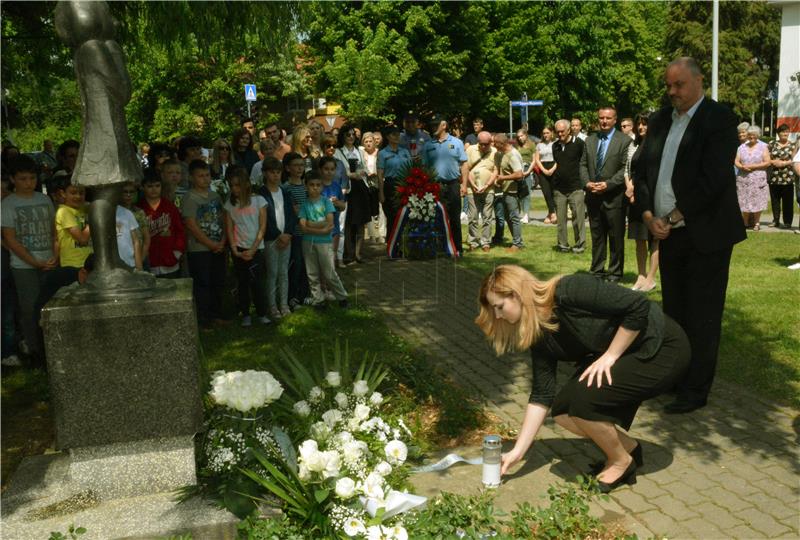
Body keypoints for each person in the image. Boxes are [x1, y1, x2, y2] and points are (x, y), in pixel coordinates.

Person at [477, 265, 689, 492]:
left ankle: (621, 462)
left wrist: (611, 355)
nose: (498, 315)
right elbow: (541, 394)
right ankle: (628, 449)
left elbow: (638, 305)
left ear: (516, 295)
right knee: (563, 411)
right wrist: (518, 452)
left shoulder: (569, 289)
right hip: (627, 350)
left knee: (582, 403)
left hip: (662, 347)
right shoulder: (538, 333)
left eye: (499, 307)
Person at [633, 57, 745, 414]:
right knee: (675, 312)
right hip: (668, 233)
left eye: (679, 85)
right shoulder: (660, 119)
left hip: (706, 235)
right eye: (668, 86)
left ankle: (696, 390)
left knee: (703, 315)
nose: (672, 92)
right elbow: (644, 169)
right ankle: (676, 378)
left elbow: (714, 179)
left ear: (699, 82)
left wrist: (675, 214)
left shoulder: (720, 120)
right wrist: (650, 215)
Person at [1, 155, 57, 366]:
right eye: (23, 178)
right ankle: (36, 351)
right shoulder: (8, 204)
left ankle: (52, 347)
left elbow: (54, 232)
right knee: (30, 309)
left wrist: (55, 256)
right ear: (13, 179)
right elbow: (10, 239)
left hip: (49, 261)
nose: (28, 183)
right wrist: (34, 262)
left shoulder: (44, 200)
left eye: (32, 178)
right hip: (23, 266)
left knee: (50, 305)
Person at [581, 106, 632, 283]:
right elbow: (583, 165)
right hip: (593, 195)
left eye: (608, 118)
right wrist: (587, 183)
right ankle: (597, 270)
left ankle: (615, 272)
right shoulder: (590, 140)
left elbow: (624, 168)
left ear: (615, 120)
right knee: (597, 236)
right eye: (601, 118)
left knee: (616, 237)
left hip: (614, 197)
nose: (604, 121)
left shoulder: (624, 141)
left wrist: (608, 184)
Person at [182, 159, 228, 328]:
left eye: (207, 175)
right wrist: (210, 244)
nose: (205, 179)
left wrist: (223, 240)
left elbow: (223, 218)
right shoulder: (189, 198)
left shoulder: (215, 196)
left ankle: (216, 314)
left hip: (218, 246)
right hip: (200, 249)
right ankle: (203, 319)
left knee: (218, 281)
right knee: (203, 283)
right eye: (200, 176)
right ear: (192, 178)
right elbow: (191, 225)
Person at [224, 165, 269, 327]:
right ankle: (245, 314)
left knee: (257, 283)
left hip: (256, 249)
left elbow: (262, 227)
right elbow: (229, 227)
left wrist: (253, 248)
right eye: (231, 186)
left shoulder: (259, 201)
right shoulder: (230, 205)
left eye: (237, 185)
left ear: (246, 184)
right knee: (242, 283)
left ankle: (262, 313)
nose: (234, 189)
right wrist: (235, 249)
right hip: (239, 250)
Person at [298, 175, 349, 308]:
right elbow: (303, 226)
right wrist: (321, 226)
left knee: (329, 272)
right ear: (306, 186)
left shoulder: (326, 202)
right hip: (308, 242)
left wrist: (311, 225)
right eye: (311, 185)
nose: (315, 188)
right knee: (312, 272)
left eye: (318, 185)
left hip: (325, 242)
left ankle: (342, 296)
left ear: (322, 187)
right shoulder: (304, 204)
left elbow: (330, 224)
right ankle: (318, 299)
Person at [422, 114, 468, 255]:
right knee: (435, 217)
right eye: (432, 125)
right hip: (435, 186)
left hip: (453, 185)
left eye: (436, 124)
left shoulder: (457, 142)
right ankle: (438, 248)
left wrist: (464, 185)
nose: (433, 127)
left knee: (454, 218)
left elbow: (464, 164)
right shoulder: (428, 145)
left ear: (444, 125)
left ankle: (457, 249)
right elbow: (424, 167)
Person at [626, 113, 659, 292]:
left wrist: (635, 188)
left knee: (654, 239)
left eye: (645, 124)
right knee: (639, 238)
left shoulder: (656, 145)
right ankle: (640, 276)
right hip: (636, 199)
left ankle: (651, 278)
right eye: (639, 124)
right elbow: (632, 171)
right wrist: (630, 187)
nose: (641, 128)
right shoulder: (636, 145)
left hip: (652, 198)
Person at [259, 157, 295, 318]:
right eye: (272, 172)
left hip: (286, 237)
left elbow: (291, 214)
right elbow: (265, 218)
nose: (275, 176)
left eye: (278, 172)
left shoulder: (285, 192)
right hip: (271, 239)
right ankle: (272, 306)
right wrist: (277, 235)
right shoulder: (261, 193)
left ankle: (284, 303)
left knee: (283, 272)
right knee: (272, 272)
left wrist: (287, 234)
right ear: (265, 173)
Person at [137, 172, 185, 278]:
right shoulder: (138, 209)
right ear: (143, 187)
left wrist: (177, 252)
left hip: (170, 262)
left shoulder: (170, 207)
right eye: (150, 186)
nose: (154, 189)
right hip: (148, 263)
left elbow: (180, 230)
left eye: (157, 186)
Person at [336, 125, 371, 264]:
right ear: (342, 137)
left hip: (360, 188)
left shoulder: (359, 150)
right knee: (349, 222)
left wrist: (362, 172)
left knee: (361, 221)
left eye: (352, 135)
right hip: (348, 189)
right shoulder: (338, 152)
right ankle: (349, 253)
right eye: (347, 135)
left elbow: (365, 168)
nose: (351, 137)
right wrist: (351, 175)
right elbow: (338, 172)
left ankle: (358, 253)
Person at [551, 119, 587, 253]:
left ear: (569, 130)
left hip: (576, 186)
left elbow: (584, 164)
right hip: (559, 188)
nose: (560, 134)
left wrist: (584, 183)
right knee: (561, 219)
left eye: (562, 131)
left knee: (578, 218)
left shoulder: (579, 144)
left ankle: (580, 245)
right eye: (558, 132)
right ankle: (563, 245)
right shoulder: (555, 146)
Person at [282, 152, 311, 310]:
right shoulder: (286, 188)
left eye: (302, 165)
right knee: (296, 265)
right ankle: (292, 297)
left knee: (308, 265)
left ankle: (305, 294)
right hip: (295, 233)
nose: (300, 168)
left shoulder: (307, 186)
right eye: (296, 165)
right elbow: (293, 211)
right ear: (287, 168)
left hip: (309, 232)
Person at [465, 131, 497, 252]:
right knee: (472, 216)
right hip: (471, 188)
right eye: (481, 144)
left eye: (486, 144)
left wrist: (488, 184)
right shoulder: (470, 150)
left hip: (488, 189)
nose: (483, 147)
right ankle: (473, 242)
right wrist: (472, 184)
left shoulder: (494, 152)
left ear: (490, 142)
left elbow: (496, 170)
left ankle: (485, 242)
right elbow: (465, 169)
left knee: (487, 217)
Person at [493, 133, 525, 252]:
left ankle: (517, 244)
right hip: (506, 190)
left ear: (502, 144)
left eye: (495, 143)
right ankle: (516, 241)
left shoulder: (512, 155)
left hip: (513, 191)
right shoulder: (503, 154)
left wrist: (502, 178)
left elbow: (519, 174)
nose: (494, 146)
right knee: (508, 217)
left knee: (514, 217)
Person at [734, 125, 770, 231]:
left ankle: (756, 223)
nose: (751, 137)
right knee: (743, 200)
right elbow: (736, 161)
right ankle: (745, 223)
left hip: (758, 179)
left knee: (758, 200)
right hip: (743, 178)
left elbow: (767, 162)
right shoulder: (741, 147)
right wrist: (741, 166)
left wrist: (753, 166)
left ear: (758, 135)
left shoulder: (763, 146)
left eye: (754, 135)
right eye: (749, 135)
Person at [378, 125, 412, 235]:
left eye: (398, 134)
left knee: (405, 216)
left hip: (404, 185)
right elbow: (380, 175)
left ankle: (404, 246)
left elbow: (411, 170)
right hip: (390, 185)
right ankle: (392, 247)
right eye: (394, 134)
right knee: (392, 218)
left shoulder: (405, 152)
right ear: (388, 137)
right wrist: (381, 193)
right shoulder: (383, 153)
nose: (397, 137)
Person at [767, 124, 797, 229]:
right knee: (775, 201)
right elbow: (766, 158)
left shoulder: (793, 145)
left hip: (788, 178)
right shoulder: (771, 144)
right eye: (782, 131)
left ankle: (788, 222)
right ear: (778, 133)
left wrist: (783, 163)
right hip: (774, 177)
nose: (785, 133)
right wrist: (773, 161)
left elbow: (795, 159)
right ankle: (775, 220)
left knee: (788, 201)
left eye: (787, 131)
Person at [318, 156, 346, 268]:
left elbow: (343, 206)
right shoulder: (316, 185)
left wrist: (338, 203)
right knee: (321, 259)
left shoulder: (336, 186)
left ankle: (329, 284)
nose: (329, 172)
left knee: (331, 258)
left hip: (334, 228)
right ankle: (322, 284)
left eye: (332, 169)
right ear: (320, 170)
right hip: (320, 228)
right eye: (326, 169)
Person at [516, 129, 537, 224]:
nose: (520, 138)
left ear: (526, 135)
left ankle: (526, 214)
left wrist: (528, 171)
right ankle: (521, 213)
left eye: (521, 136)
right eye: (518, 136)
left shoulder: (532, 145)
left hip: (527, 168)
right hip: (518, 169)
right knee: (519, 193)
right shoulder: (517, 146)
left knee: (527, 193)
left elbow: (534, 160)